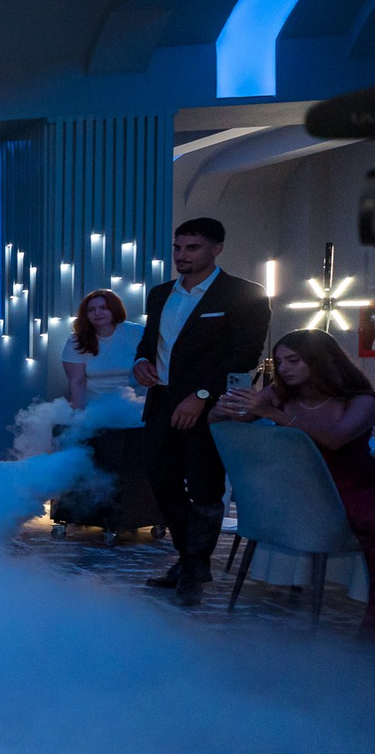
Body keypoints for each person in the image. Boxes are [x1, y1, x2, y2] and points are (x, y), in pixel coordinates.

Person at [132, 217, 272, 605]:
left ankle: (193, 569)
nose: (182, 255)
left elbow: (244, 355)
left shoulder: (245, 294)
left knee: (205, 489)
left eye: (192, 248)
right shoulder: (161, 293)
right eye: (178, 247)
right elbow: (149, 341)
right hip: (161, 401)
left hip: (208, 406)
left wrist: (202, 394)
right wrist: (141, 361)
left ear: (216, 249)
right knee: (161, 482)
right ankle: (190, 560)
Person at [211, 330, 375, 638]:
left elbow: (335, 439)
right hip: (303, 495)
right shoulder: (279, 394)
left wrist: (269, 412)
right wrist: (223, 408)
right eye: (281, 361)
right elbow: (220, 424)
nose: (284, 368)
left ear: (320, 360)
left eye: (293, 360)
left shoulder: (362, 400)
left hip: (352, 486)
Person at [63, 288, 140, 408]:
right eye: (91, 310)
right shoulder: (76, 340)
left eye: (103, 308)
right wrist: (77, 414)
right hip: (94, 408)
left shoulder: (137, 332)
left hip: (135, 405)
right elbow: (77, 383)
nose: (97, 313)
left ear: (114, 309)